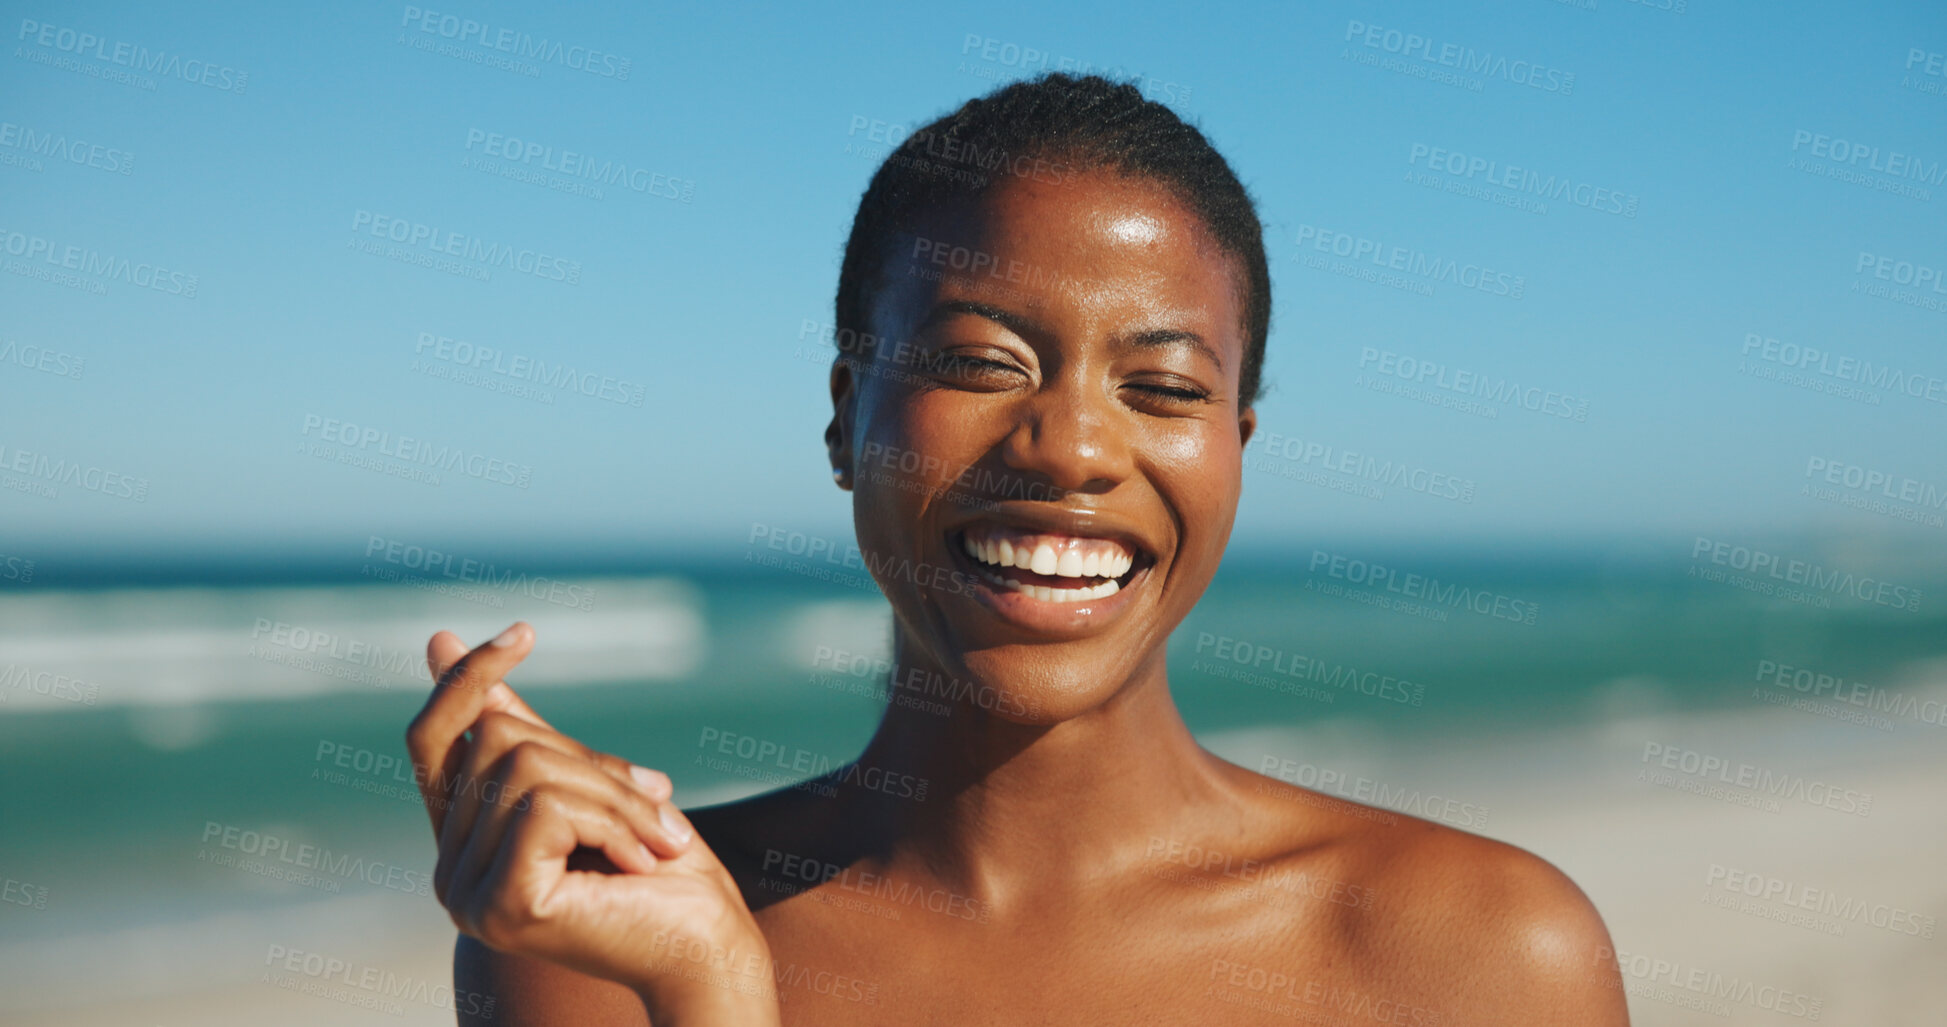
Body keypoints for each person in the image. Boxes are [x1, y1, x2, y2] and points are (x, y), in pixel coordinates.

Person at [405, 73, 1629, 1025]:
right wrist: (710, 989)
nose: (1072, 448)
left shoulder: (1483, 952)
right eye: (983, 363)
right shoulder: (595, 951)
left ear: (1237, 445)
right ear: (847, 413)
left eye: (1162, 386)